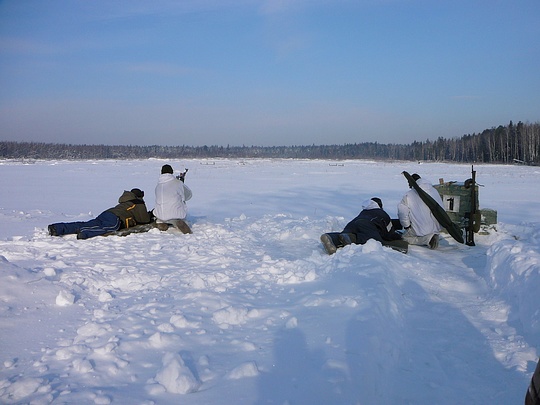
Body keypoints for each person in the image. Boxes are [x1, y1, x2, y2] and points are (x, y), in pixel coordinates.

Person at [48, 188, 153, 239]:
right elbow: (144, 220)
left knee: (85, 223)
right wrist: (151, 215)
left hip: (107, 213)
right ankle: (85, 233)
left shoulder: (126, 201)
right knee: (105, 228)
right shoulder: (138, 203)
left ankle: (57, 228)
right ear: (140, 196)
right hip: (115, 219)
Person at [320, 197, 406, 254]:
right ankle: (353, 239)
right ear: (380, 205)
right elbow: (388, 233)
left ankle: (331, 237)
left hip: (352, 224)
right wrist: (398, 236)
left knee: (343, 235)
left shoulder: (364, 212)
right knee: (375, 242)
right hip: (367, 225)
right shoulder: (382, 213)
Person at [398, 173, 444, 249]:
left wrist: (406, 226)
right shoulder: (434, 190)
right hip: (436, 226)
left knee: (404, 238)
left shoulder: (409, 195)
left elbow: (402, 212)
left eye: (409, 183)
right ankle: (431, 236)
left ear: (412, 182)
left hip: (421, 228)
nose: (409, 186)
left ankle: (428, 240)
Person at [153, 164, 193, 234]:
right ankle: (178, 222)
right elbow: (188, 196)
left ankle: (161, 222)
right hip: (176, 215)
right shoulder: (177, 183)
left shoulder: (158, 185)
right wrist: (181, 183)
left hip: (160, 215)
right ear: (171, 172)